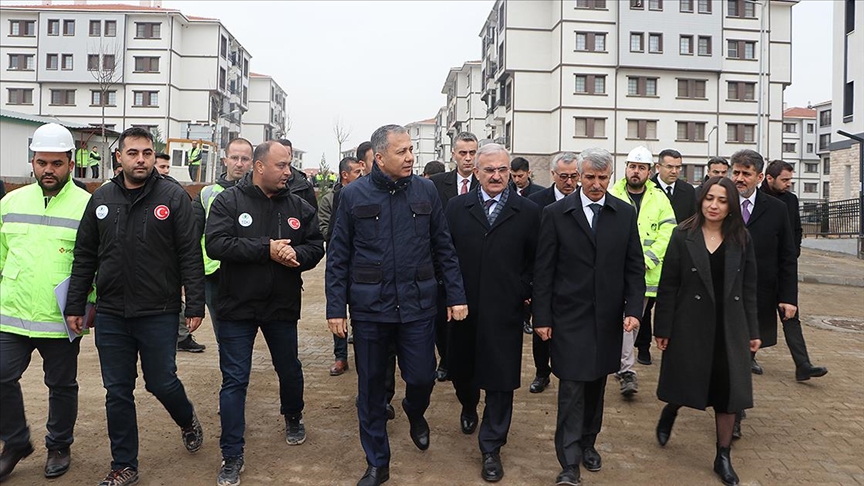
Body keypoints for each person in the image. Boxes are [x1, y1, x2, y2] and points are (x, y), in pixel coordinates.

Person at [326, 124, 468, 486]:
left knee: (422, 376)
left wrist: (456, 295)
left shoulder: (426, 191)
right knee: (371, 388)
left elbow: (444, 247)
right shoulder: (353, 196)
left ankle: (414, 410)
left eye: (410, 151)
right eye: (402, 151)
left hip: (418, 304)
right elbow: (338, 255)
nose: (410, 157)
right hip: (371, 309)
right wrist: (334, 308)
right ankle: (378, 463)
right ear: (380, 156)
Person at [65, 127, 206, 486]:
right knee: (117, 390)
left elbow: (190, 253)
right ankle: (124, 465)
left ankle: (186, 418)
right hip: (111, 312)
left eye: (146, 153)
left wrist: (195, 304)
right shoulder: (101, 199)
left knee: (161, 382)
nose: (141, 159)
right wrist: (75, 303)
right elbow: (84, 255)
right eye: (133, 153)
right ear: (120, 157)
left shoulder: (173, 197)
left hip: (158, 311)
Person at [205, 140, 324, 486]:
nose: (289, 172)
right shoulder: (228, 201)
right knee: (235, 380)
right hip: (236, 306)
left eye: (289, 166)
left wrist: (298, 257)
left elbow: (316, 245)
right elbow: (216, 243)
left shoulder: (299, 205)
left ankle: (293, 415)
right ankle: (232, 454)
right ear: (259, 167)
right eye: (282, 165)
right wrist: (265, 250)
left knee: (289, 368)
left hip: (281, 305)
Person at [532, 148, 644, 486]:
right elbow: (544, 269)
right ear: (578, 176)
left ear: (611, 177)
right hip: (568, 317)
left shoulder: (623, 213)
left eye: (603, 178)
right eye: (590, 178)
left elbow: (634, 267)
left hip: (607, 318)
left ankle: (588, 443)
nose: (596, 184)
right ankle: (568, 463)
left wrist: (633, 310)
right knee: (571, 388)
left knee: (595, 385)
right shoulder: (555, 213)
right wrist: (542, 317)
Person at [653, 176, 760, 486]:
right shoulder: (682, 234)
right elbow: (669, 284)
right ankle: (670, 410)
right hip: (690, 323)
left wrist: (754, 330)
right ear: (701, 200)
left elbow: (750, 287)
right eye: (709, 198)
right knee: (689, 380)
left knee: (728, 391)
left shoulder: (742, 238)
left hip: (731, 326)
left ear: (731, 206)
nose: (714, 205)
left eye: (722, 200)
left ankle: (722, 455)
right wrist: (663, 326)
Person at [0, 123, 92, 482]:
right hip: (12, 313)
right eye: (41, 163)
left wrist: (89, 303)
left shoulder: (89, 206)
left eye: (56, 163)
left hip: (62, 316)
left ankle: (59, 445)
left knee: (62, 385)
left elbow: (97, 261)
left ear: (70, 163)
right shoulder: (10, 202)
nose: (48, 170)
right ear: (32, 162)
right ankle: (16, 441)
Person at [445, 143, 540, 482]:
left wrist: (522, 290)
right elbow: (446, 256)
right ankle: (469, 404)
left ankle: (491, 447)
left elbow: (536, 261)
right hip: (463, 309)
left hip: (505, 311)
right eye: (489, 170)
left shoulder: (528, 212)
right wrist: (450, 297)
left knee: (500, 381)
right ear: (477, 172)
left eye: (502, 170)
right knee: (462, 370)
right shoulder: (457, 208)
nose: (497, 176)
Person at [730, 150, 826, 381]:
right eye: (736, 172)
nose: (739, 178)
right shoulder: (722, 202)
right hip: (730, 285)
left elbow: (787, 255)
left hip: (765, 284)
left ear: (760, 177)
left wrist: (789, 295)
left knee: (769, 328)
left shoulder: (777, 208)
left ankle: (801, 364)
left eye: (746, 173)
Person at [609, 146, 675, 398]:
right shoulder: (612, 194)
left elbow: (668, 232)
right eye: (632, 166)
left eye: (641, 168)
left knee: (631, 323)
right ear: (626, 168)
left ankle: (627, 370)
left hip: (646, 274)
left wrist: (649, 258)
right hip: (614, 273)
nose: (636, 172)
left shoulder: (660, 199)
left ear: (650, 171)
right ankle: (621, 365)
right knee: (616, 321)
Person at [526, 152, 581, 394]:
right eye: (563, 176)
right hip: (544, 277)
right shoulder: (536, 202)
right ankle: (541, 372)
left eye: (573, 176)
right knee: (542, 329)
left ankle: (572, 372)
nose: (569, 182)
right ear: (553, 175)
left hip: (575, 279)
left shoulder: (585, 200)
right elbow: (527, 244)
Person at [193, 138, 255, 345]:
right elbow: (192, 236)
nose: (239, 163)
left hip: (248, 272)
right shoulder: (206, 194)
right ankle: (231, 372)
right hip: (214, 274)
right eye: (234, 158)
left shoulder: (260, 194)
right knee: (223, 332)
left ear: (253, 162)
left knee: (245, 329)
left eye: (245, 159)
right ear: (225, 160)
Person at [428, 131, 479, 382]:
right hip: (441, 264)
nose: (468, 159)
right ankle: (446, 360)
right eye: (463, 153)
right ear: (453, 154)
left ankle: (470, 361)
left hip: (476, 263)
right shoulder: (436, 184)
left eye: (472, 153)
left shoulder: (489, 181)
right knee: (441, 319)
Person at [155, 152, 207, 353]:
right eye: (162, 167)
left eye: (167, 167)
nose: (165, 171)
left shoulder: (174, 191)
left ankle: (181, 336)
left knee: (173, 298)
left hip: (170, 261)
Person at [318, 155, 365, 376]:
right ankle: (340, 357)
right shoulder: (330, 199)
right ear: (345, 175)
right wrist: (342, 237)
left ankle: (363, 355)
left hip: (362, 264)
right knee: (338, 311)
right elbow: (323, 226)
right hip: (339, 261)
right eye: (356, 172)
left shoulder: (365, 196)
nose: (361, 176)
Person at [276, 139, 318, 209]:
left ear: (291, 157)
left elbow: (312, 215)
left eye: (287, 154)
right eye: (279, 154)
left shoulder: (304, 186)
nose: (283, 157)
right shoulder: (262, 182)